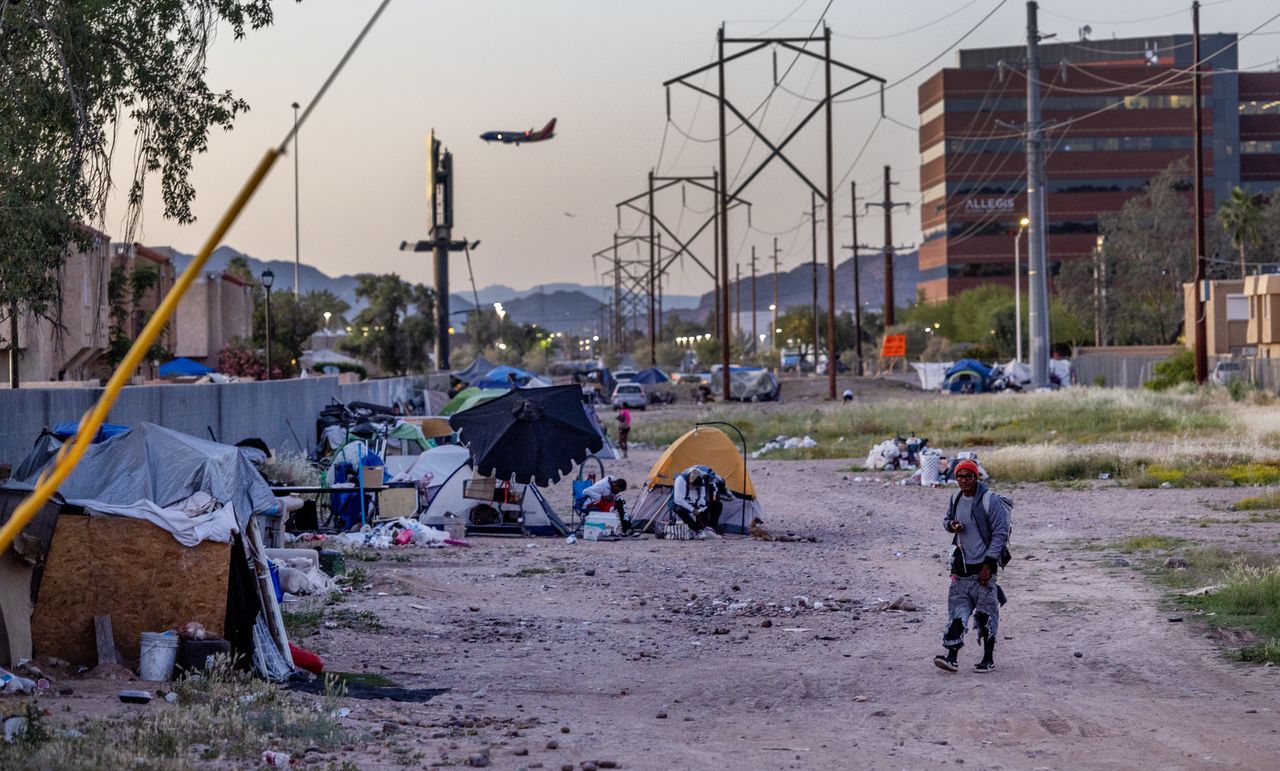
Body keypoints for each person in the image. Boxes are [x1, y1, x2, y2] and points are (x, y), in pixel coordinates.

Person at [934, 459, 1011, 674]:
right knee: (957, 613)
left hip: (983, 568)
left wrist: (988, 564)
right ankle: (951, 658)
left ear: (976, 477)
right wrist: (952, 525)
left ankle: (988, 659)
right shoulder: (956, 497)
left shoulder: (989, 500)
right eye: (960, 476)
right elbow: (946, 520)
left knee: (986, 614)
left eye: (968, 476)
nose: (964, 480)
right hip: (961, 566)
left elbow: (1000, 533)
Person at [670, 465, 727, 540]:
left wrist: (701, 506)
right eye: (694, 486)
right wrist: (692, 509)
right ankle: (697, 530)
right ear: (690, 482)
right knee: (680, 510)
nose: (695, 488)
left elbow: (702, 497)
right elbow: (679, 500)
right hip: (681, 504)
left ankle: (711, 528)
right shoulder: (680, 480)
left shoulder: (701, 481)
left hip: (694, 504)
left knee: (717, 505)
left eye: (697, 487)